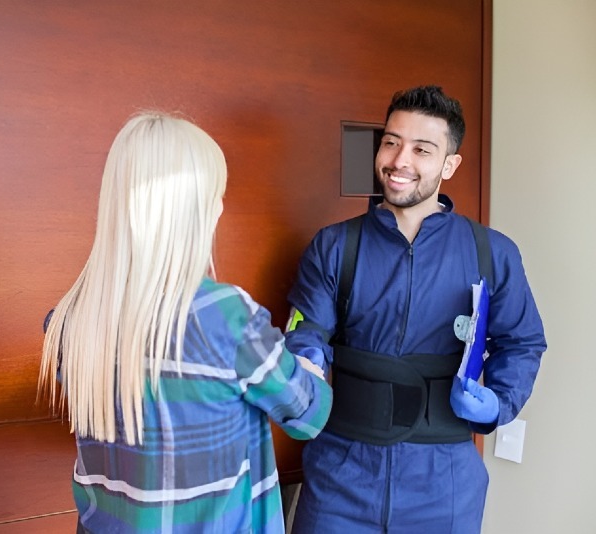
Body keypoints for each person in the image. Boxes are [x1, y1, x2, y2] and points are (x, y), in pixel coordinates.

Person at [38, 112, 332, 534]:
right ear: (197, 212)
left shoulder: (69, 321)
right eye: (217, 193)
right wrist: (308, 363)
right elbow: (308, 417)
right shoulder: (226, 317)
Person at [285, 86, 546, 533]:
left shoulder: (493, 253)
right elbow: (307, 330)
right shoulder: (335, 246)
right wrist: (303, 366)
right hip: (340, 477)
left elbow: (522, 342)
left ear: (449, 164)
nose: (399, 160)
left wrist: (499, 403)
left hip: (443, 482)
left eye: (421, 149)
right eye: (391, 142)